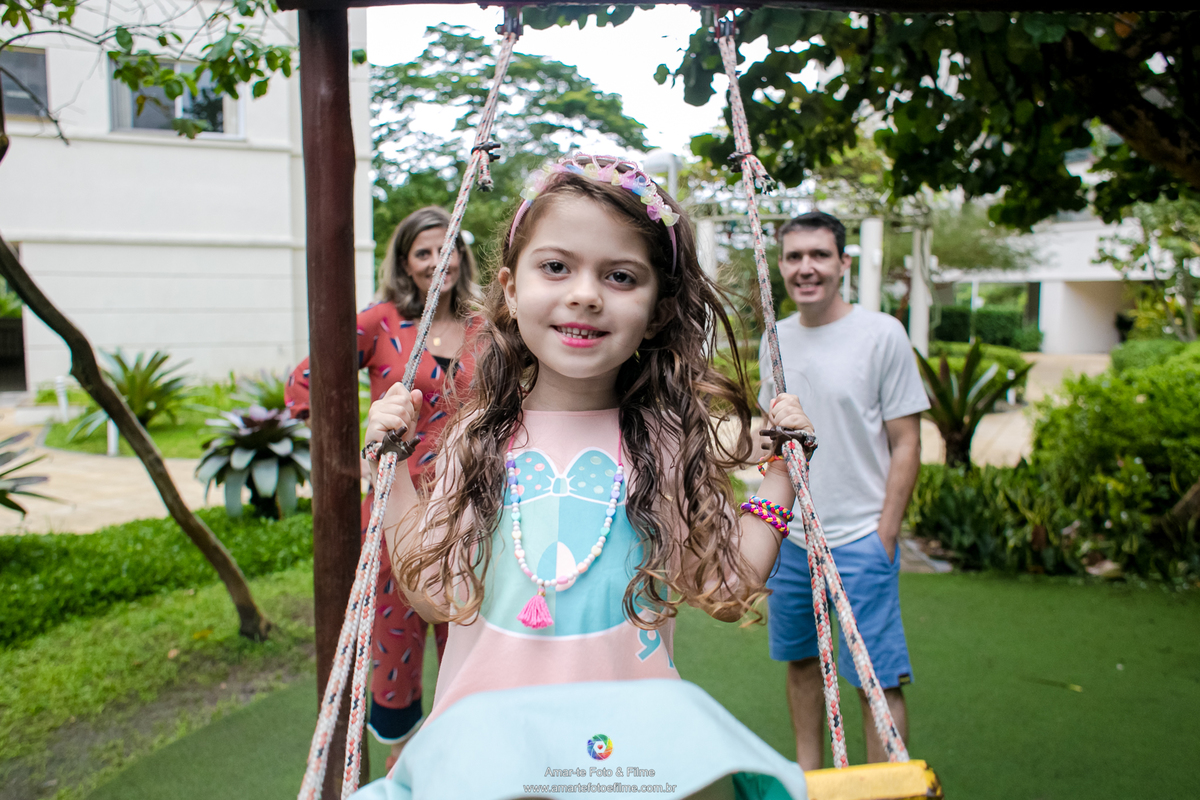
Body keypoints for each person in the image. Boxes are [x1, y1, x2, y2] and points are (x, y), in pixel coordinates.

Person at [353, 155, 815, 800]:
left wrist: (779, 478)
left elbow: (724, 583)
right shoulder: (478, 437)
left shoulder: (662, 443)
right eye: (557, 267)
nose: (586, 293)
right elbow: (433, 592)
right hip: (491, 751)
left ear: (655, 311)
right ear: (511, 290)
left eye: (620, 275)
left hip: (625, 758)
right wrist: (394, 466)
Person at [286, 206, 481, 769]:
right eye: (423, 251)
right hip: (397, 510)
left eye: (447, 248)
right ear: (405, 263)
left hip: (470, 508)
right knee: (395, 639)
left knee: (465, 633)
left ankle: (460, 763)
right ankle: (401, 767)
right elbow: (304, 384)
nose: (437, 260)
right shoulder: (380, 321)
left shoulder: (483, 325)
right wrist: (352, 456)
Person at [758, 211, 928, 770]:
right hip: (793, 540)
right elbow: (772, 442)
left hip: (860, 536)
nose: (806, 268)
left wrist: (886, 533)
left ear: (842, 264)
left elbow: (906, 442)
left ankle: (885, 784)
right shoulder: (774, 340)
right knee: (803, 663)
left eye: (819, 255)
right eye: (794, 256)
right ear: (781, 266)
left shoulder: (882, 334)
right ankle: (811, 778)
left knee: (874, 676)